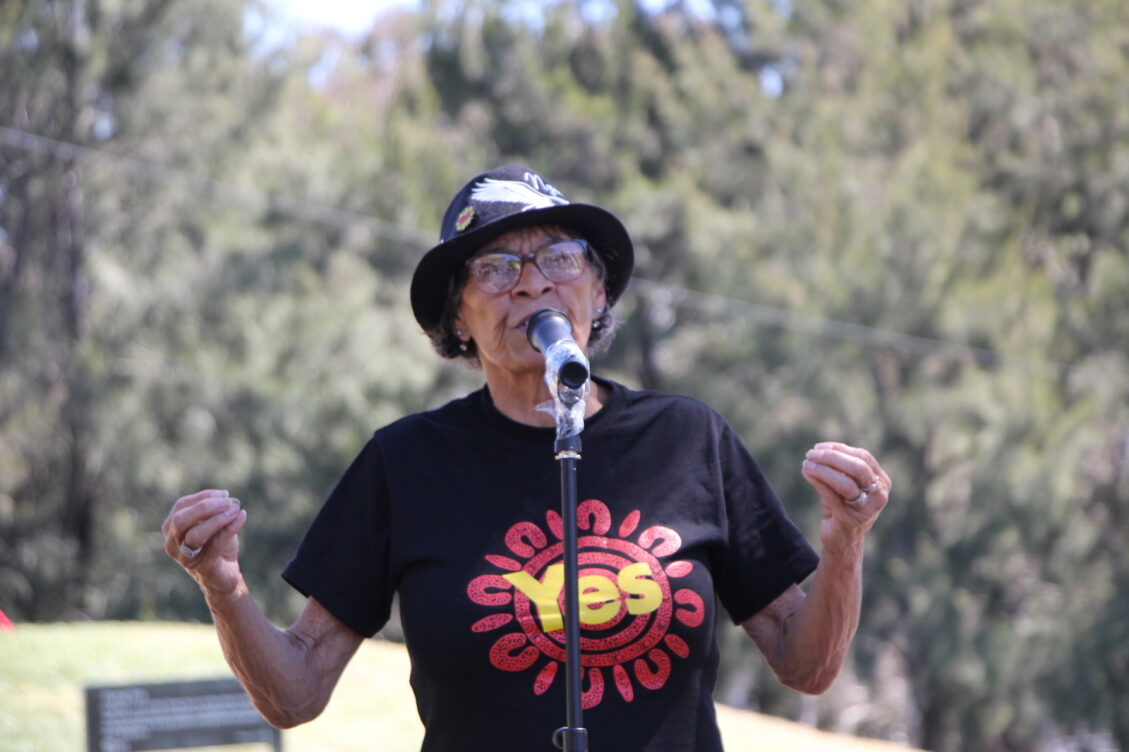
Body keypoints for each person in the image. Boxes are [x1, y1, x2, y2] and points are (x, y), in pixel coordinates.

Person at [163, 165, 892, 751]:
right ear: (457, 317)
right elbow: (296, 693)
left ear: (598, 292)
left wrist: (845, 544)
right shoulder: (406, 462)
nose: (533, 282)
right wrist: (224, 586)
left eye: (560, 258)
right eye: (497, 266)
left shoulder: (688, 439)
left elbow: (805, 663)